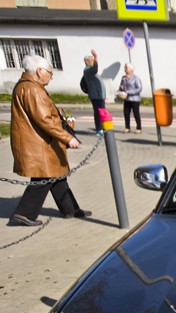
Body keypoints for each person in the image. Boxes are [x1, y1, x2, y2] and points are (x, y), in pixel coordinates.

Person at [8, 55, 90, 227]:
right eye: (50, 73)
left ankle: (70, 209)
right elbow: (45, 120)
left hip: (40, 143)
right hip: (39, 145)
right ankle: (23, 214)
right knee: (42, 180)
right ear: (39, 71)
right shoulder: (32, 89)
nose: (51, 77)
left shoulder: (27, 86)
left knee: (56, 176)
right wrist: (68, 137)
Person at [82, 49, 106, 135]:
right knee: (98, 112)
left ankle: (103, 127)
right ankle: (99, 129)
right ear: (87, 62)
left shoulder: (91, 70)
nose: (93, 61)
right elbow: (95, 68)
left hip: (100, 95)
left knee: (102, 112)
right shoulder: (87, 70)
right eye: (92, 60)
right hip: (95, 96)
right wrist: (96, 56)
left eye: (93, 60)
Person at [118, 63, 143, 133]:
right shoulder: (123, 78)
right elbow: (122, 86)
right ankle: (127, 127)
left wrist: (129, 92)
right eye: (125, 68)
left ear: (131, 70)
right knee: (126, 113)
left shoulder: (136, 78)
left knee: (136, 113)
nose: (125, 69)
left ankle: (139, 128)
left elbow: (139, 88)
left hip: (135, 99)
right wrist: (121, 88)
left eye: (126, 68)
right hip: (127, 98)